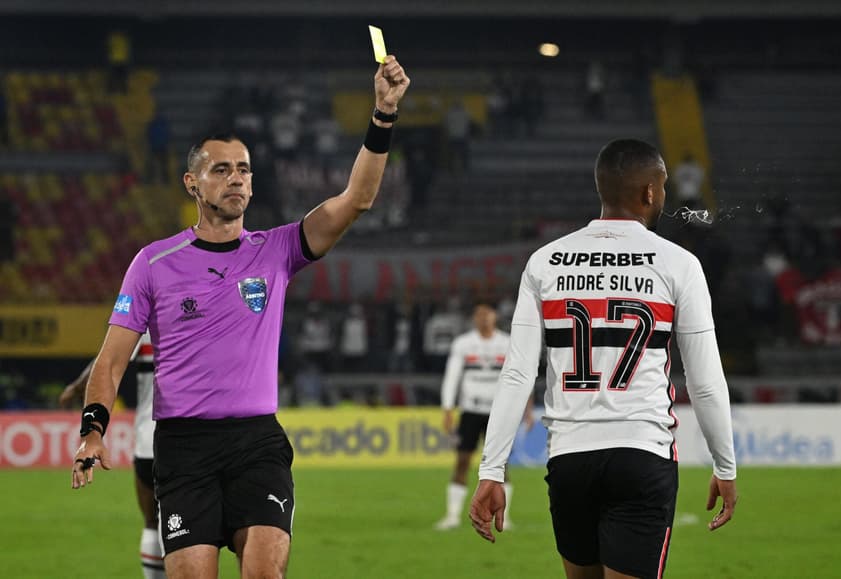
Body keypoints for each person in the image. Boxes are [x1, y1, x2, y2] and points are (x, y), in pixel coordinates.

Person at [70, 56, 410, 579]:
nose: (236, 179)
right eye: (221, 169)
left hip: (257, 442)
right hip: (184, 448)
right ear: (192, 182)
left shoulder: (278, 249)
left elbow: (357, 199)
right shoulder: (153, 263)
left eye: (244, 169)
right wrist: (93, 428)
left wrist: (383, 114)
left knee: (264, 574)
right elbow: (112, 360)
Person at [469, 139, 738, 579]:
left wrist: (492, 469)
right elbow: (705, 380)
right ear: (650, 193)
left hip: (570, 458)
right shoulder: (679, 263)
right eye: (663, 185)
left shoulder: (546, 261)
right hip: (641, 453)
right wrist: (724, 464)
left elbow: (517, 372)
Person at [60, 332, 164, 578]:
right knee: (191, 526)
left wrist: (76, 387)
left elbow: (106, 362)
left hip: (148, 441)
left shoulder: (147, 325)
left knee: (152, 522)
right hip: (188, 439)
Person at [434, 303, 530, 531]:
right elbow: (452, 377)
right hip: (470, 410)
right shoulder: (464, 344)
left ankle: (503, 518)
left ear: (495, 317)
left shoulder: (507, 343)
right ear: (474, 318)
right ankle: (452, 515)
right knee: (462, 461)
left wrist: (526, 407)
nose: (483, 318)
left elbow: (520, 376)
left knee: (502, 464)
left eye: (487, 314)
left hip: (499, 412)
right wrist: (448, 408)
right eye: (479, 314)